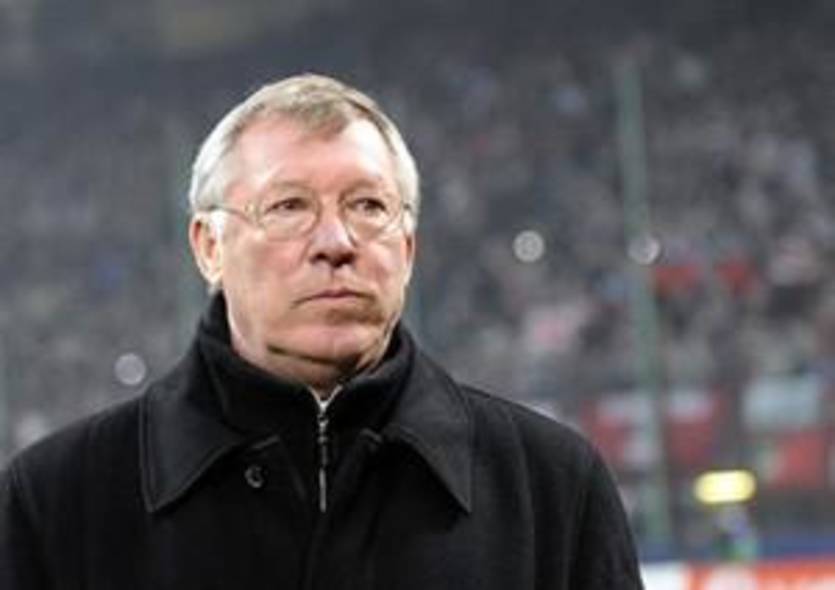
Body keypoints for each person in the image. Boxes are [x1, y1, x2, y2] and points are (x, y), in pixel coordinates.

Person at [0, 74, 644, 589]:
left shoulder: (551, 490)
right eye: (288, 207)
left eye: (368, 206)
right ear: (209, 247)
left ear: (408, 248)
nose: (336, 242)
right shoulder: (56, 503)